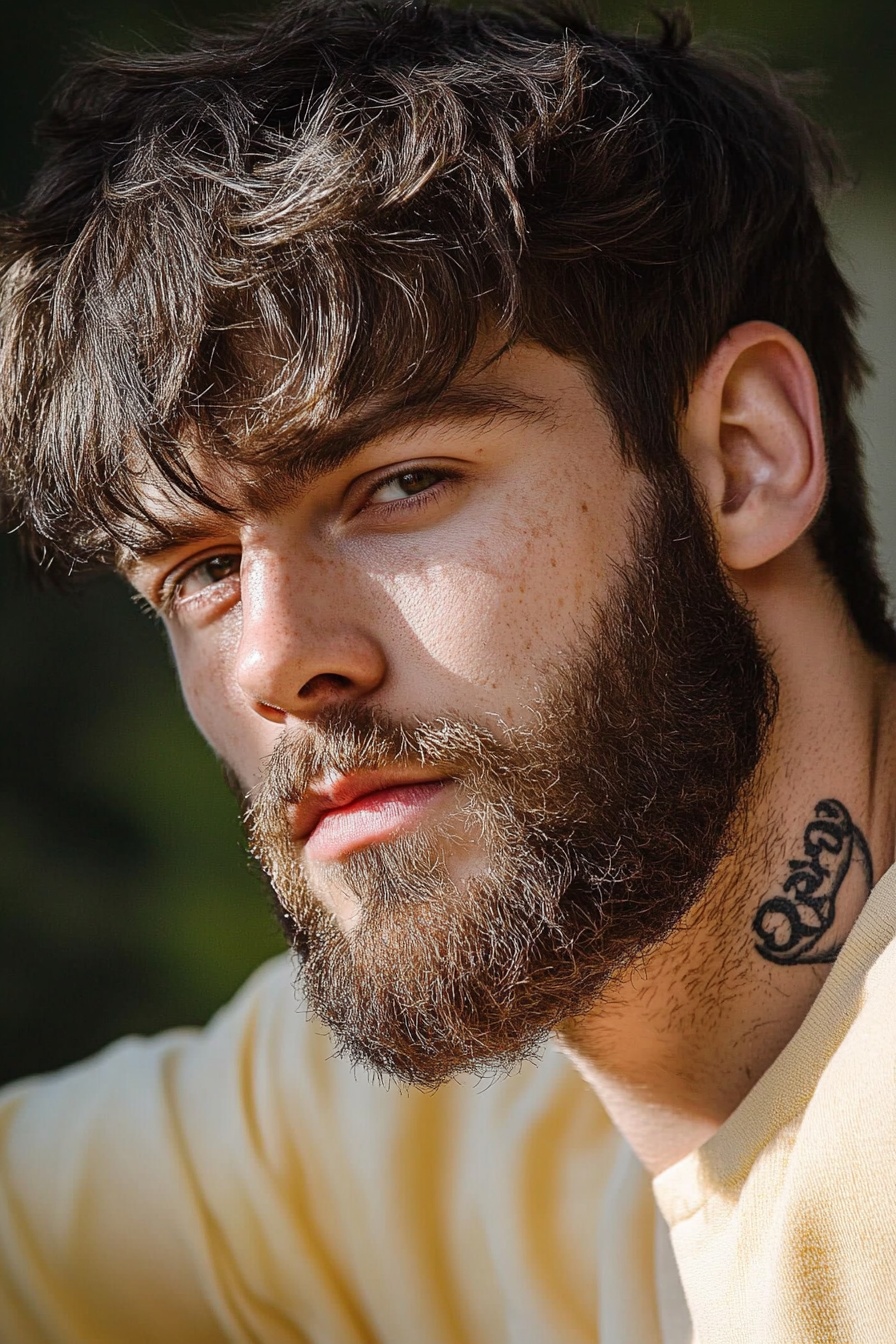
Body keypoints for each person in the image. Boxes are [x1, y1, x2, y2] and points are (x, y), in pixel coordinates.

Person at [0, 1, 893, 1339]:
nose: (278, 659)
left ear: (743, 459)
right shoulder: (410, 1126)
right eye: (200, 571)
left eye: (402, 483)